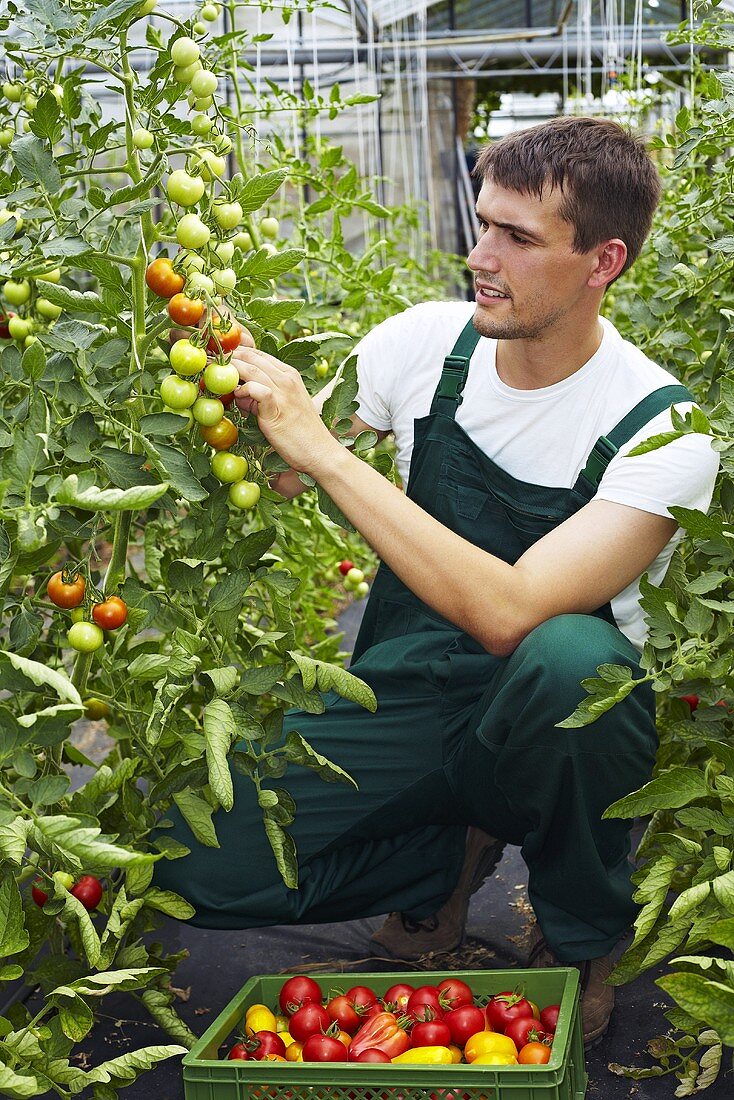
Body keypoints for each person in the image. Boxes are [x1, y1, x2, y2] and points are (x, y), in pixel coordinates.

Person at [153, 117, 719, 1047]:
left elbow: (509, 613)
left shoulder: (663, 427)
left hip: (548, 722)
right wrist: (220, 360)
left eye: (518, 238)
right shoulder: (423, 344)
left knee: (576, 657)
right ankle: (437, 862)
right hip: (409, 686)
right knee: (194, 864)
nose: (479, 255)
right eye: (483, 222)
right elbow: (289, 461)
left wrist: (329, 456)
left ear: (603, 261)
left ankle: (580, 934)